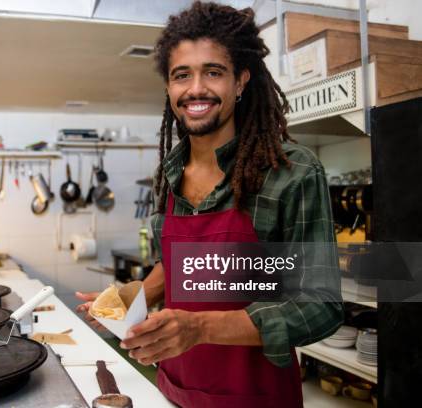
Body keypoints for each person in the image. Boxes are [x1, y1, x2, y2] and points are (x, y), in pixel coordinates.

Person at [77, 3, 343, 407]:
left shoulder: (291, 172)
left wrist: (199, 327)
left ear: (240, 81)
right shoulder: (168, 174)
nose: (195, 88)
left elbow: (321, 306)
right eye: (182, 75)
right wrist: (135, 297)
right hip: (175, 389)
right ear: (169, 88)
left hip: (257, 396)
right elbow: (180, 264)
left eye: (213, 72)